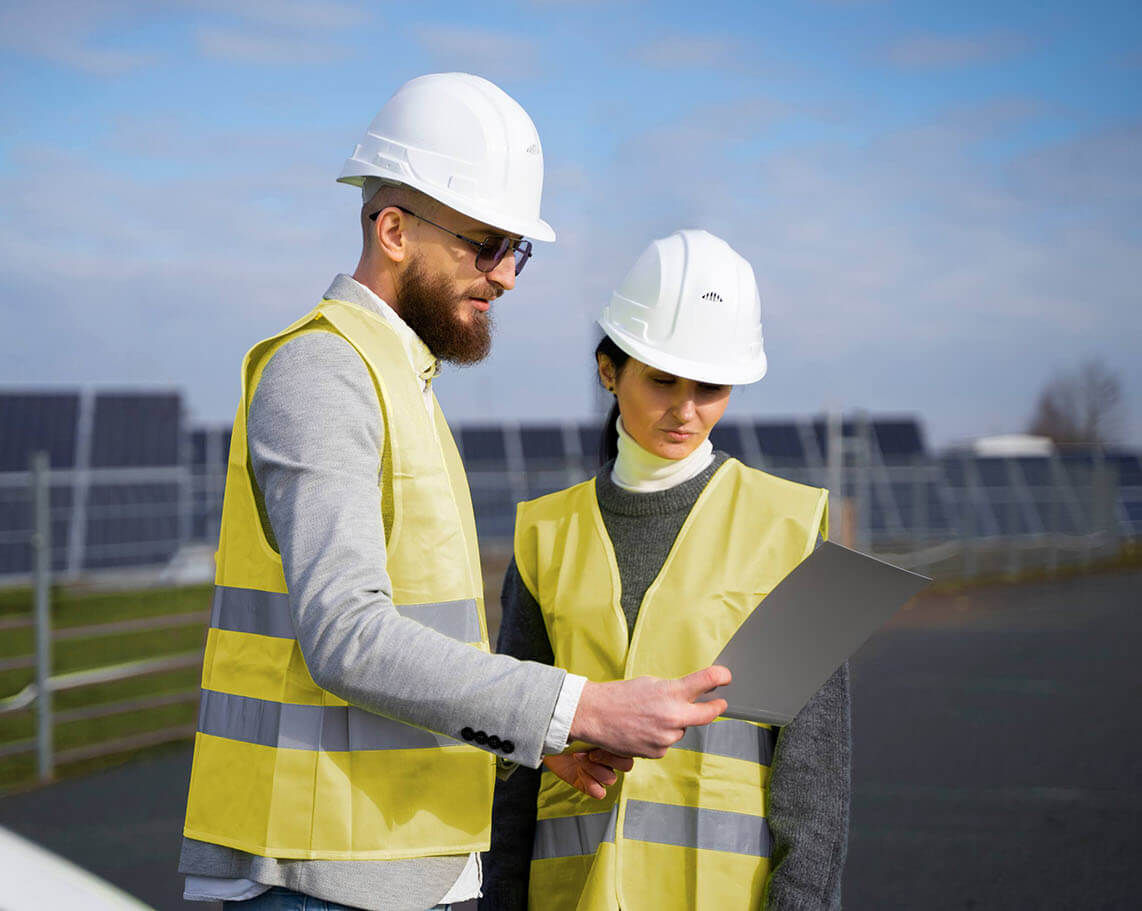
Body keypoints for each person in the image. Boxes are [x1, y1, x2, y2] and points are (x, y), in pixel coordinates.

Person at [179, 75, 734, 911]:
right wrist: (583, 704)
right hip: (321, 876)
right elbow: (349, 636)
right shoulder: (325, 372)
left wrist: (543, 740)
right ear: (393, 229)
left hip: (399, 864)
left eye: (518, 249)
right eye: (486, 245)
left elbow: (418, 637)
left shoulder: (403, 380)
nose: (507, 275)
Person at [480, 229, 851, 911]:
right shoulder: (545, 534)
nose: (685, 409)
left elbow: (815, 789)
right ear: (607, 369)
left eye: (710, 386)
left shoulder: (791, 527)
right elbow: (513, 771)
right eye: (662, 379)